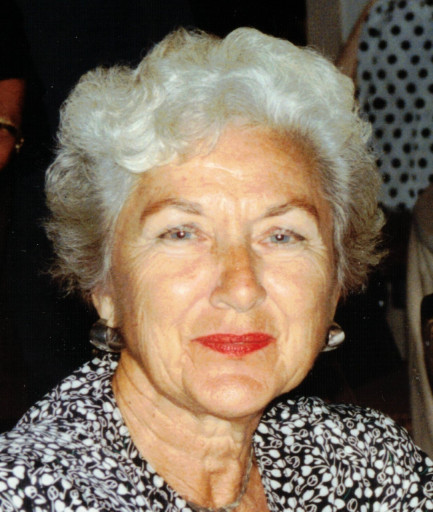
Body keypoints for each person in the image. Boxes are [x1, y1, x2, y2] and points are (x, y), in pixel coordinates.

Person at [0, 27, 432, 511]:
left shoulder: (367, 462)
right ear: (104, 285)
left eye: (282, 236)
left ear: (335, 283)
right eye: (182, 233)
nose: (241, 287)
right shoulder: (27, 494)